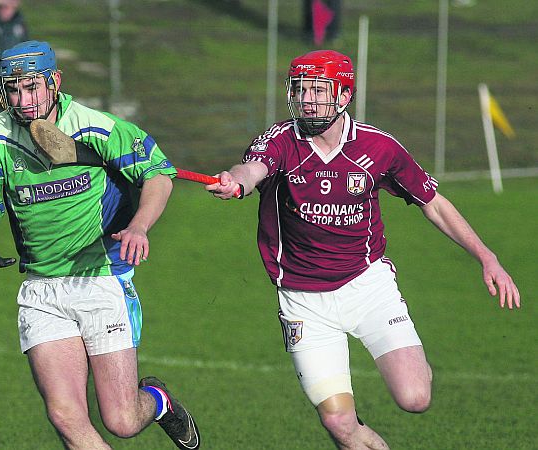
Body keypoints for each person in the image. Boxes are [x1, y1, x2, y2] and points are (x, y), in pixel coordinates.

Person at [206, 50, 520, 449]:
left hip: (367, 286)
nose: (306, 100)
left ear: (343, 96)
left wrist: (486, 256)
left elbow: (434, 203)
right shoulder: (282, 140)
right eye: (300, 90)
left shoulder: (380, 147)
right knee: (339, 423)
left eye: (317, 90)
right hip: (304, 302)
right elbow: (252, 169)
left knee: (415, 397)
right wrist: (236, 182)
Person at [0, 40, 200, 450]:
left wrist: (140, 227)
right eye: (13, 89)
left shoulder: (95, 126)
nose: (23, 100)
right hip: (41, 289)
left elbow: (159, 173)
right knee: (65, 417)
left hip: (100, 278)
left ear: (55, 81)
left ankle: (160, 402)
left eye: (32, 87)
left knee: (122, 420)